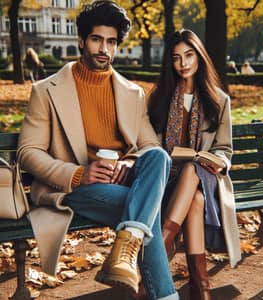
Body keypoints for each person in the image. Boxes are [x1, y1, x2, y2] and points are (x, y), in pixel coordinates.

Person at [17, 1, 178, 300]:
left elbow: (150, 147)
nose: (104, 48)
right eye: (96, 39)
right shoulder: (46, 90)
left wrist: (130, 164)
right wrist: (79, 174)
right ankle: (163, 293)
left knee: (158, 157)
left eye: (111, 41)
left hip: (123, 181)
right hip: (74, 188)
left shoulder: (132, 93)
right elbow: (28, 151)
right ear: (81, 40)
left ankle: (124, 253)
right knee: (144, 212)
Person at [148, 29, 241, 300]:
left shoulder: (219, 100)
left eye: (189, 55)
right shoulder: (159, 98)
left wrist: (220, 162)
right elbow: (153, 146)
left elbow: (225, 148)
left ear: (199, 56)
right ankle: (201, 288)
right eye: (176, 58)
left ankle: (159, 252)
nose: (183, 63)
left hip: (207, 176)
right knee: (195, 199)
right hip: (168, 179)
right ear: (170, 63)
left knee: (193, 170)